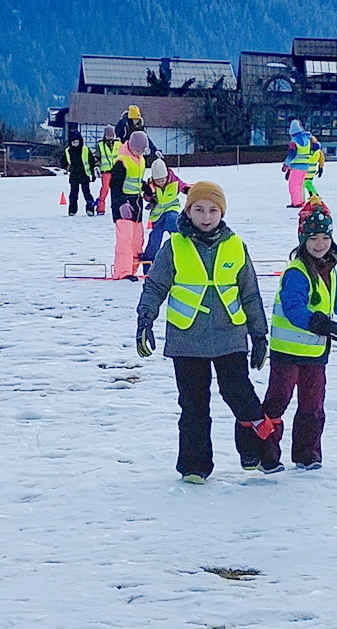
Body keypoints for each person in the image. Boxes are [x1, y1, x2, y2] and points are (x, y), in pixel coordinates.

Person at [134, 181, 276, 482]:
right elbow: (156, 285)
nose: (206, 216)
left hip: (230, 336)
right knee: (193, 404)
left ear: (221, 212)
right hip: (187, 339)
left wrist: (259, 335)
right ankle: (194, 466)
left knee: (240, 395)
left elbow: (250, 293)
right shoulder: (174, 246)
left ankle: (256, 452)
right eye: (199, 209)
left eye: (213, 210)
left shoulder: (236, 245)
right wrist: (145, 320)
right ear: (189, 211)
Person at [262, 196, 337, 472]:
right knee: (277, 401)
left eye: (324, 237)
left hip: (315, 354)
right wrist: (321, 324)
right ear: (303, 240)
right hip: (287, 352)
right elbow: (294, 308)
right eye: (314, 238)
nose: (320, 244)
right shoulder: (297, 272)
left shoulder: (330, 268)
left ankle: (308, 454)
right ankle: (266, 454)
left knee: (313, 404)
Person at [109, 130, 149, 279]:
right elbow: (115, 186)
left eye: (142, 150)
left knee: (137, 242)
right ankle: (122, 272)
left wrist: (146, 189)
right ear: (131, 146)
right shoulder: (122, 161)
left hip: (136, 206)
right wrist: (121, 204)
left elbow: (136, 181)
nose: (140, 152)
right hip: (123, 207)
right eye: (138, 149)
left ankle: (132, 270)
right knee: (125, 241)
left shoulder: (140, 159)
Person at [141, 158, 190, 276]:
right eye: (157, 180)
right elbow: (146, 196)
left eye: (162, 180)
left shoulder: (174, 181)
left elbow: (184, 186)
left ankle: (184, 246)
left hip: (171, 209)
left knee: (172, 221)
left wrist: (189, 190)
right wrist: (147, 195)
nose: (160, 182)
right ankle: (148, 266)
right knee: (154, 240)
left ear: (166, 175)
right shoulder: (151, 184)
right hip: (157, 216)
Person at [281, 120, 316, 208]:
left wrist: (286, 165)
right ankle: (301, 200)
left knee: (293, 185)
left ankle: (296, 203)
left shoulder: (294, 141)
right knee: (300, 185)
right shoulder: (307, 139)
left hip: (296, 166)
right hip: (306, 166)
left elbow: (292, 154)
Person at [63, 131, 98, 216]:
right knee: (73, 195)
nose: (75, 144)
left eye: (77, 142)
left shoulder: (85, 149)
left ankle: (90, 209)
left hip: (84, 175)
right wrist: (67, 167)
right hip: (74, 176)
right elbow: (63, 162)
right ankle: (72, 211)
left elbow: (91, 162)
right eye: (73, 142)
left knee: (87, 193)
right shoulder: (68, 151)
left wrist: (93, 174)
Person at [95, 125, 119, 215]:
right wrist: (97, 166)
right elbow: (97, 157)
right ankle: (100, 208)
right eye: (108, 135)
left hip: (116, 171)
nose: (110, 137)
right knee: (104, 189)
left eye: (111, 135)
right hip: (105, 171)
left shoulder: (119, 144)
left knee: (116, 190)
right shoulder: (100, 145)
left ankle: (116, 207)